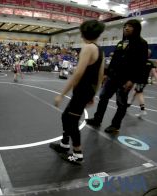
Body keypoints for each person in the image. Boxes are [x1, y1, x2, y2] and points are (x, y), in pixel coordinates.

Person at [50, 20, 105, 164]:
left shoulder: (87, 48)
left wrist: (61, 95)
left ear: (82, 33)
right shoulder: (100, 50)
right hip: (87, 91)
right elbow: (100, 76)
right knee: (65, 117)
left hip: (81, 91)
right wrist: (93, 94)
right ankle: (64, 144)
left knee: (72, 122)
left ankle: (78, 153)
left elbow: (78, 74)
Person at [86, 19, 148, 133]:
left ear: (136, 29)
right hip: (112, 77)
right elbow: (114, 61)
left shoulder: (142, 44)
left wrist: (132, 80)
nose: (126, 28)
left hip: (125, 80)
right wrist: (106, 74)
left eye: (130, 26)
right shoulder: (121, 43)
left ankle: (115, 125)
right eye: (125, 26)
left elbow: (141, 65)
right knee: (103, 97)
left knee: (121, 103)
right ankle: (97, 119)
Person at [128, 49, 157, 117]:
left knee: (139, 93)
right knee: (134, 93)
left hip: (139, 81)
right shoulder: (150, 63)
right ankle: (127, 105)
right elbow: (154, 73)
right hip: (143, 81)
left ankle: (143, 110)